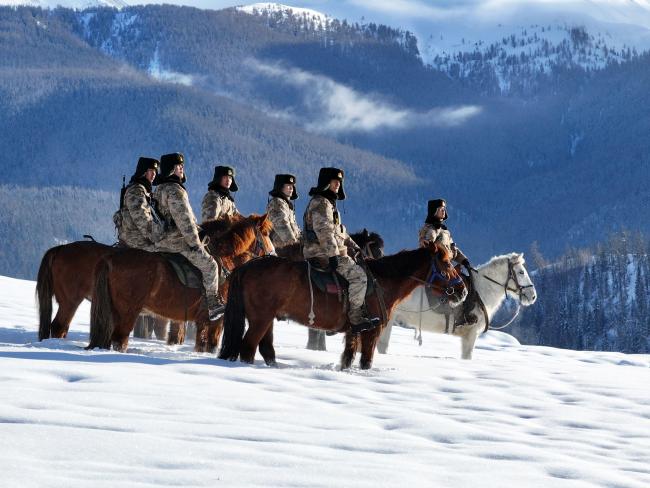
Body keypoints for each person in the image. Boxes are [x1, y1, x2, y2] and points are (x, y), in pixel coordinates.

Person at [303, 167, 379, 334]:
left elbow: (340, 232)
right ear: (326, 183)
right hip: (320, 252)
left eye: (339, 182)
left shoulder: (330, 204)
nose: (338, 184)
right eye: (334, 181)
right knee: (359, 277)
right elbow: (324, 232)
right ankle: (355, 317)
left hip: (333, 250)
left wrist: (356, 247)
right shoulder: (321, 203)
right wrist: (333, 255)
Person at [153, 153, 224, 320]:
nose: (182, 169)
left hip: (161, 238)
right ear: (171, 169)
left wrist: (199, 229)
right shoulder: (175, 191)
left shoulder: (160, 188)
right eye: (178, 166)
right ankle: (213, 304)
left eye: (182, 166)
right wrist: (196, 242)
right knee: (211, 265)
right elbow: (184, 220)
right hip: (176, 241)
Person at [419, 198, 475, 326]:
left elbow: (453, 249)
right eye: (441, 209)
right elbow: (427, 244)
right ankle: (457, 316)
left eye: (444, 209)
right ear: (434, 211)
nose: (444, 212)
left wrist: (464, 260)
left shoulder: (445, 231)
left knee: (467, 280)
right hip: (438, 267)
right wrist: (430, 238)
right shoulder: (431, 229)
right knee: (456, 285)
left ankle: (464, 313)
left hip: (447, 265)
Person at [113, 157, 160, 251]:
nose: (154, 174)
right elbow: (142, 221)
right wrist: (161, 236)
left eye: (155, 171)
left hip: (141, 237)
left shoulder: (145, 191)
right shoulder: (135, 191)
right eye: (151, 170)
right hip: (135, 240)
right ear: (143, 172)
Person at [266, 173, 301, 249]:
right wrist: (295, 246)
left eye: (292, 186)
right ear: (280, 187)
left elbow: (295, 229)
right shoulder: (276, 203)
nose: (291, 188)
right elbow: (282, 225)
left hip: (289, 249)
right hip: (280, 250)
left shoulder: (287, 205)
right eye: (288, 185)